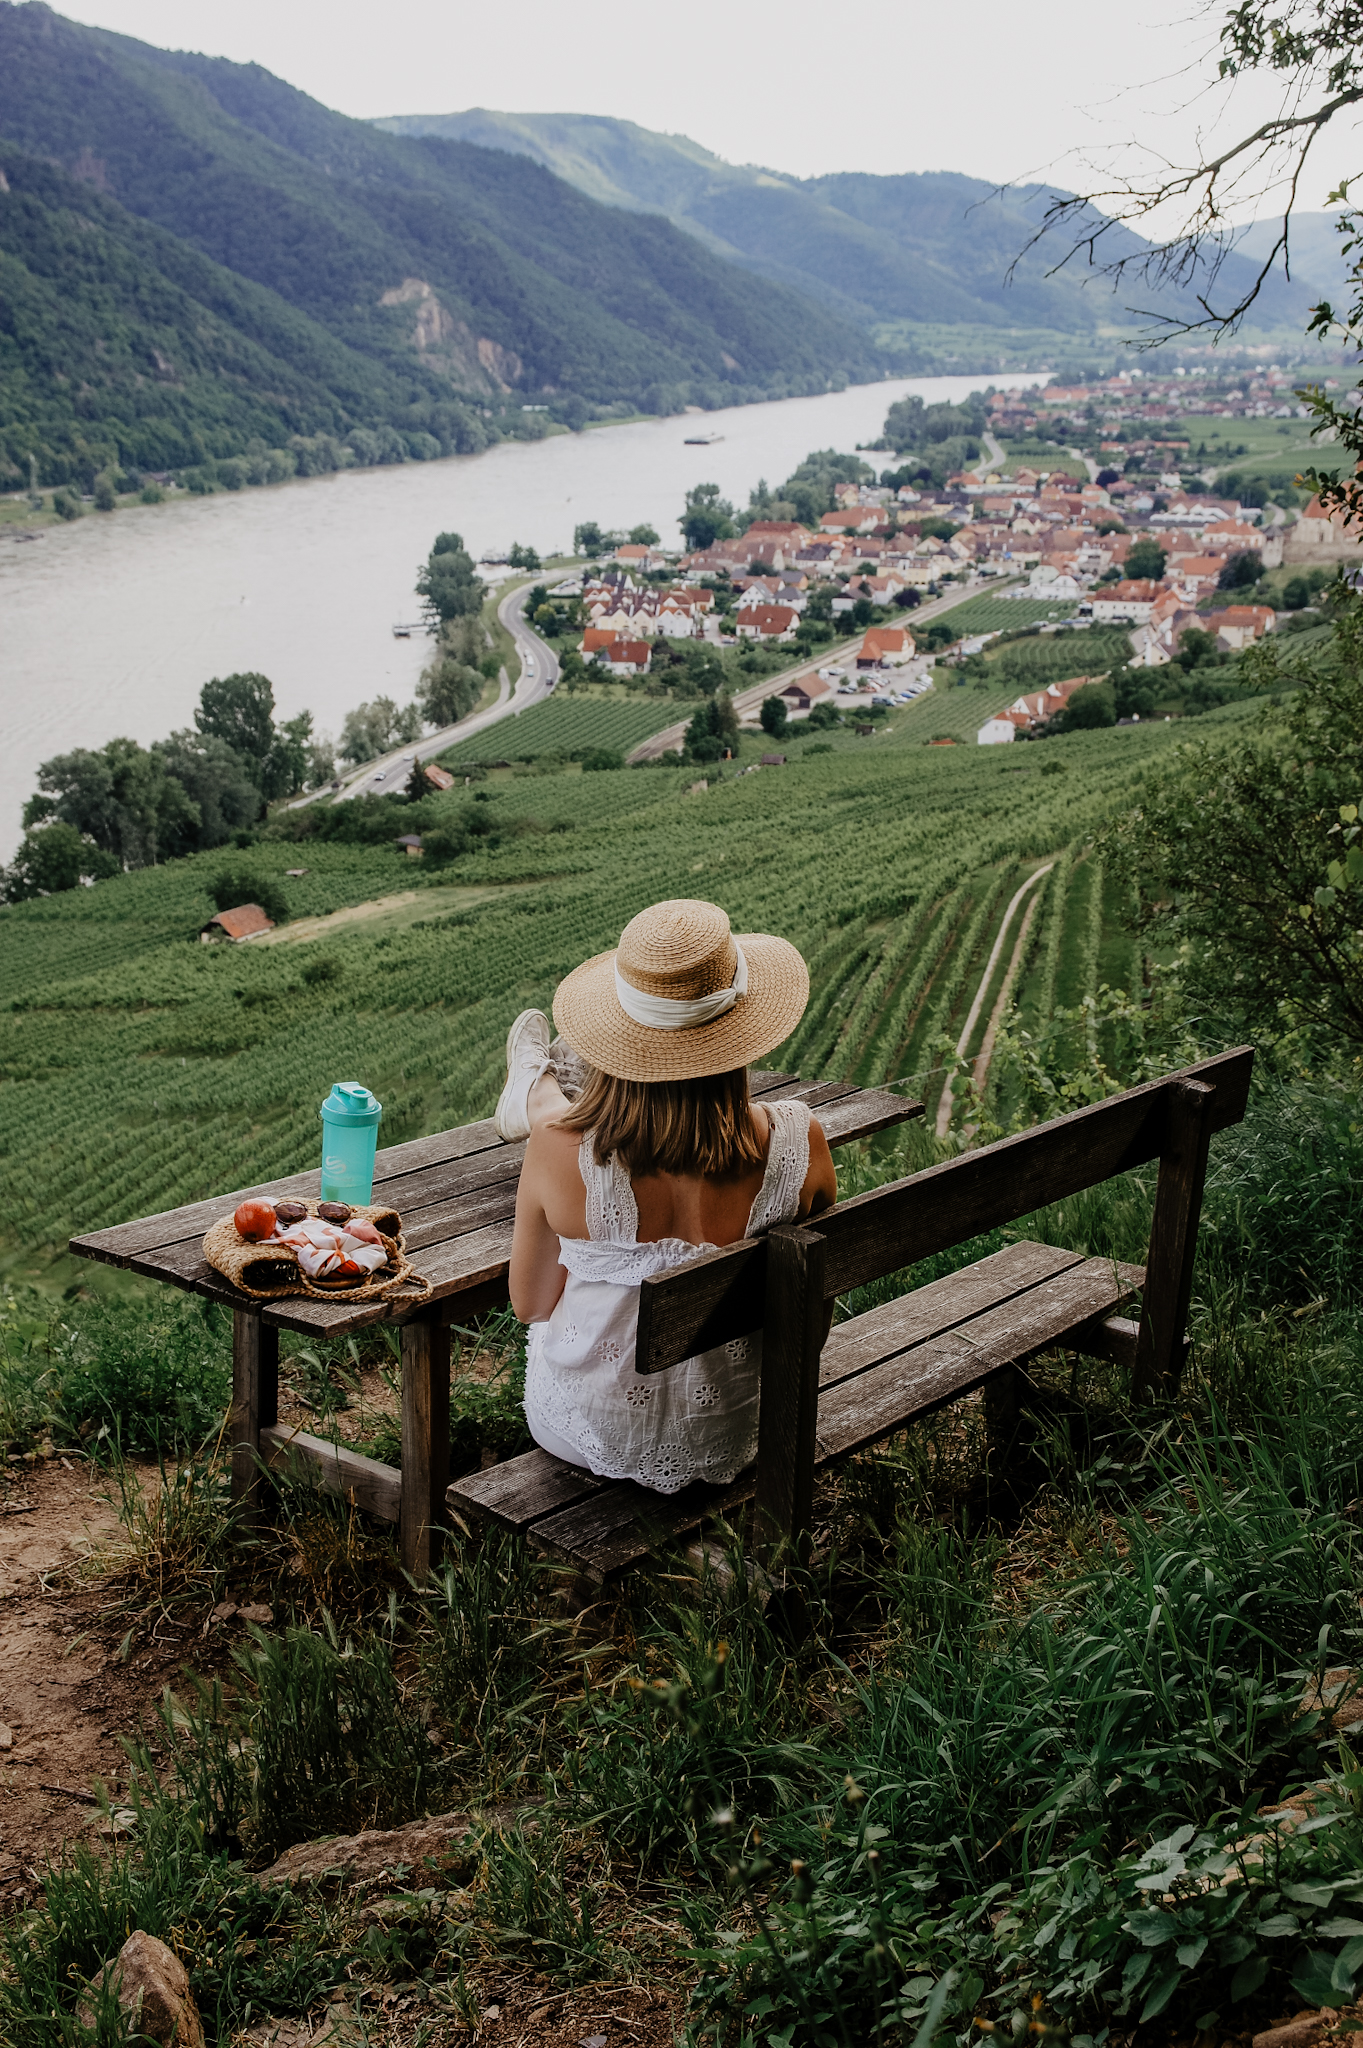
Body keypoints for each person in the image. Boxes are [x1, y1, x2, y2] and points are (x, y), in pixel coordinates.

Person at [496, 899, 836, 1495]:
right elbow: (816, 1307)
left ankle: (536, 1085)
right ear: (740, 1033)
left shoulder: (557, 1149)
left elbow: (530, 1305)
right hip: (744, 1424)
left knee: (555, 1122)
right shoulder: (797, 1138)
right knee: (561, 1125)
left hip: (585, 1431)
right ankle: (538, 1084)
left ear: (624, 1040)